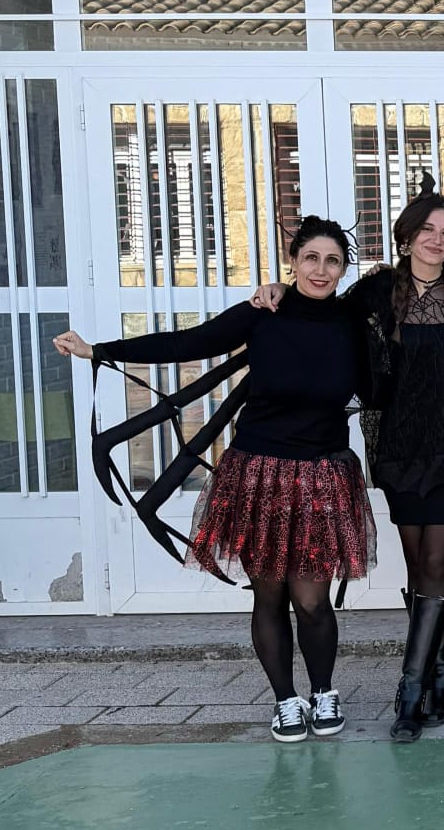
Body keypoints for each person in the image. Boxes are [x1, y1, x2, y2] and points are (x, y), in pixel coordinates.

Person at [55, 217, 375, 744]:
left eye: (333, 261)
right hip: (259, 475)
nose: (321, 270)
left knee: (313, 600)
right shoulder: (262, 315)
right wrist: (101, 350)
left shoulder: (353, 322)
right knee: (269, 597)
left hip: (322, 476)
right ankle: (285, 701)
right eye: (311, 258)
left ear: (344, 270)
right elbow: (189, 342)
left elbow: (389, 355)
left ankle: (323, 692)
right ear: (293, 261)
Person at [253, 172, 444, 741]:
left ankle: (410, 694)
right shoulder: (375, 292)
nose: (437, 240)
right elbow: (318, 309)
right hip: (398, 449)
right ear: (406, 236)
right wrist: (275, 290)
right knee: (417, 567)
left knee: (436, 563)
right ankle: (440, 674)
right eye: (427, 230)